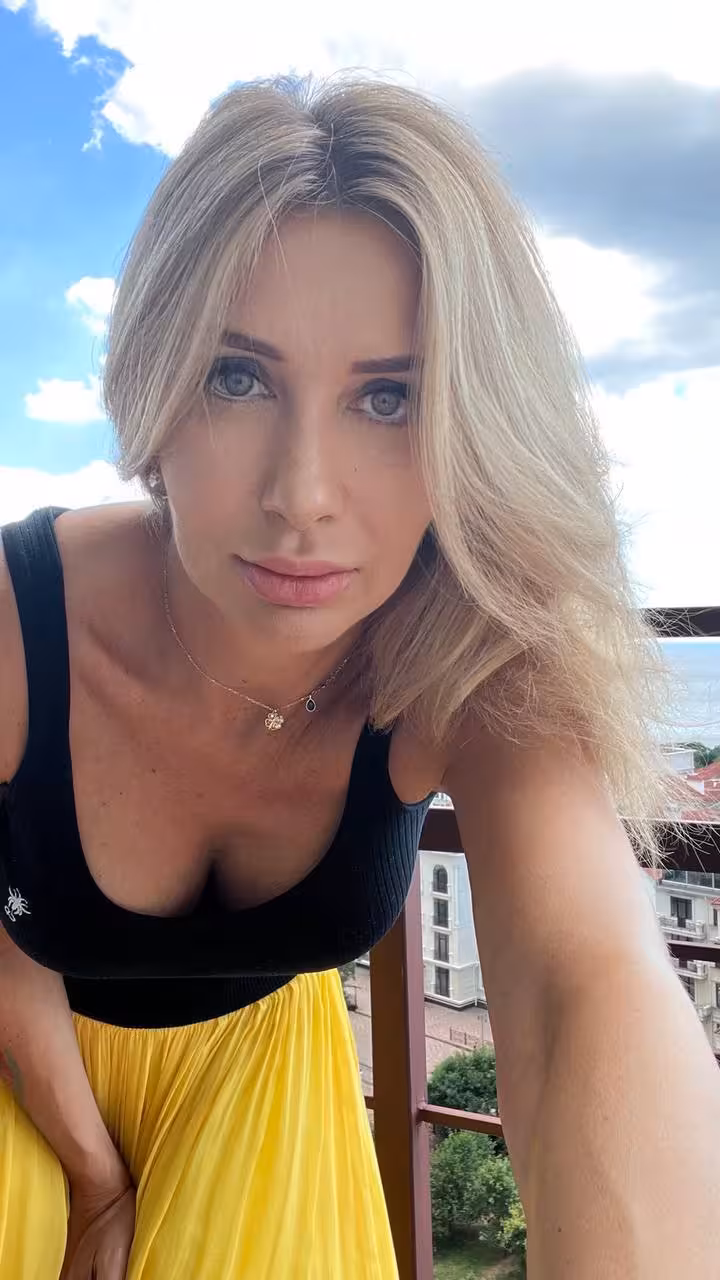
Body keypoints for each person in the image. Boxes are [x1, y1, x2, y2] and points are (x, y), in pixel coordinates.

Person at [1, 73, 719, 1280]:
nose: (303, 495)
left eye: (389, 397)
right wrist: (93, 1176)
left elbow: (583, 985)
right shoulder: (21, 624)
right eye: (238, 376)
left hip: (267, 1092)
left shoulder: (471, 650)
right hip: (26, 1074)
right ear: (157, 379)